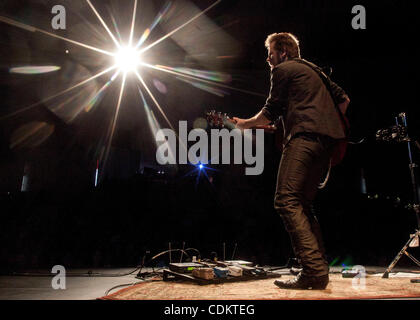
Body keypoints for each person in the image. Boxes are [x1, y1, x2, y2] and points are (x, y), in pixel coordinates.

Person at [233, 32, 350, 289]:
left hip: (306, 138)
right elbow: (344, 100)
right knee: (303, 204)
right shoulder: (314, 70)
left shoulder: (283, 69)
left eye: (271, 52)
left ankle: (313, 271)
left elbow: (270, 111)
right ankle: (318, 267)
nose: (268, 58)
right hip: (328, 142)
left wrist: (245, 124)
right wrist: (319, 123)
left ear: (283, 52)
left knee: (285, 199)